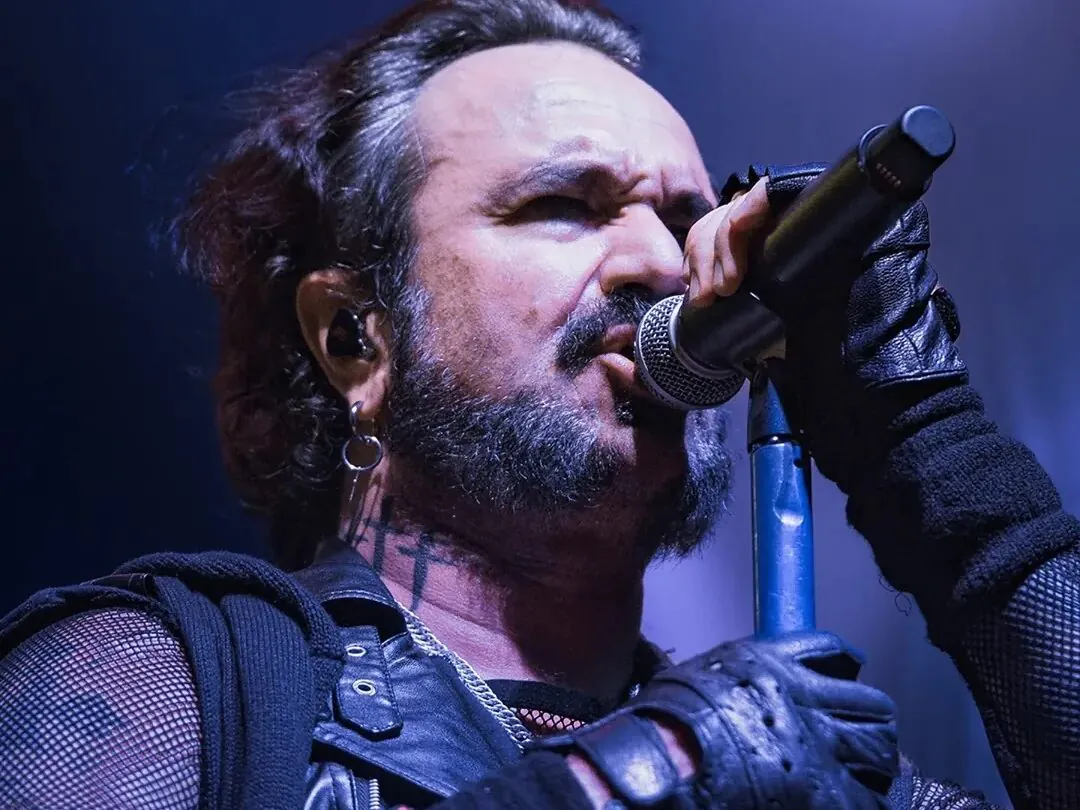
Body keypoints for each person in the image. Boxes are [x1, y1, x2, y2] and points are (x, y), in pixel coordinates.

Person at [1, 1, 1077, 808]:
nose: (666, 264)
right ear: (355, 337)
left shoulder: (806, 760)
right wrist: (630, 781)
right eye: (564, 204)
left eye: (685, 221)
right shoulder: (165, 682)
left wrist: (919, 436)